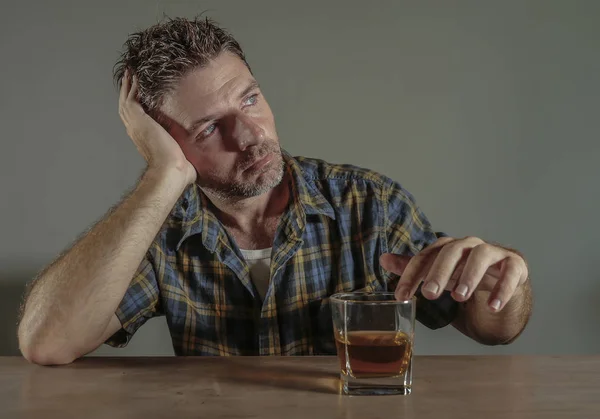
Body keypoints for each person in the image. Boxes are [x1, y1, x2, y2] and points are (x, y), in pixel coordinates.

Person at [17, 17, 532, 365]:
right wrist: (161, 178)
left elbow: (495, 327)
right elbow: (47, 342)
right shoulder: (163, 230)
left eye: (250, 100)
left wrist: (501, 280)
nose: (249, 135)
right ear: (166, 146)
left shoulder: (368, 204)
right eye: (207, 130)